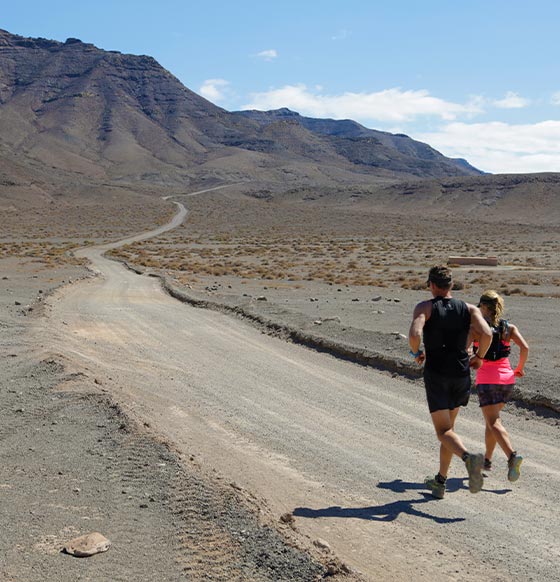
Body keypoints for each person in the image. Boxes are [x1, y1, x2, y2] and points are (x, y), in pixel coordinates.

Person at [408, 265, 492, 499]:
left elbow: (415, 334)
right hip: (461, 373)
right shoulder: (469, 308)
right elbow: (487, 334)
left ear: (432, 285)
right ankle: (440, 482)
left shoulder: (425, 307)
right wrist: (479, 357)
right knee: (449, 431)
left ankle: (469, 459)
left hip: (437, 374)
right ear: (451, 285)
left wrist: (416, 354)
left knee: (443, 431)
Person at [471, 289, 529, 482]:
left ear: (485, 307)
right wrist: (519, 368)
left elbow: (465, 349)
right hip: (507, 379)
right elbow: (525, 347)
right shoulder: (509, 328)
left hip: (487, 380)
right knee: (492, 420)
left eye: (480, 306)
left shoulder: (478, 329)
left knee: (494, 421)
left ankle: (512, 456)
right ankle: (487, 459)